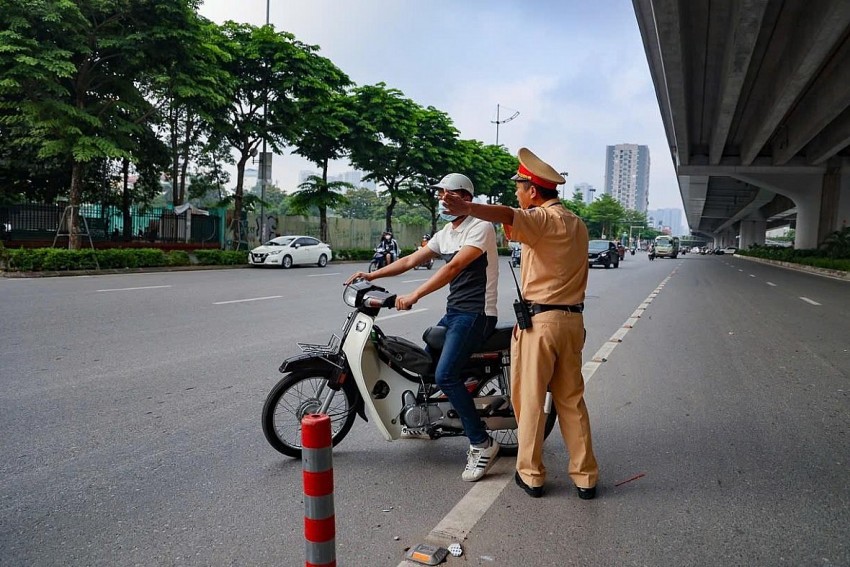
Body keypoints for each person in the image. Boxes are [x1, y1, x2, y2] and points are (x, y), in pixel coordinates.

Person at [442, 147, 599, 500]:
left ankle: (531, 474)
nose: (516, 192)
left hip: (541, 325)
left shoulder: (542, 219)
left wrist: (467, 208)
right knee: (571, 401)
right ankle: (585, 476)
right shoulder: (577, 223)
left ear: (532, 189)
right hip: (573, 323)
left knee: (529, 401)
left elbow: (506, 214)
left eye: (519, 186)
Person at [346, 173, 501, 482]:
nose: (442, 199)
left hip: (477, 314)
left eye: (449, 195)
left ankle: (482, 443)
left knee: (445, 375)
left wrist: (415, 295)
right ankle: (428, 421)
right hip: (456, 312)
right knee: (426, 370)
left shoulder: (481, 227)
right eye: (440, 194)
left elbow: (455, 266)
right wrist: (372, 276)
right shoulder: (446, 231)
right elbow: (410, 261)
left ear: (465, 198)